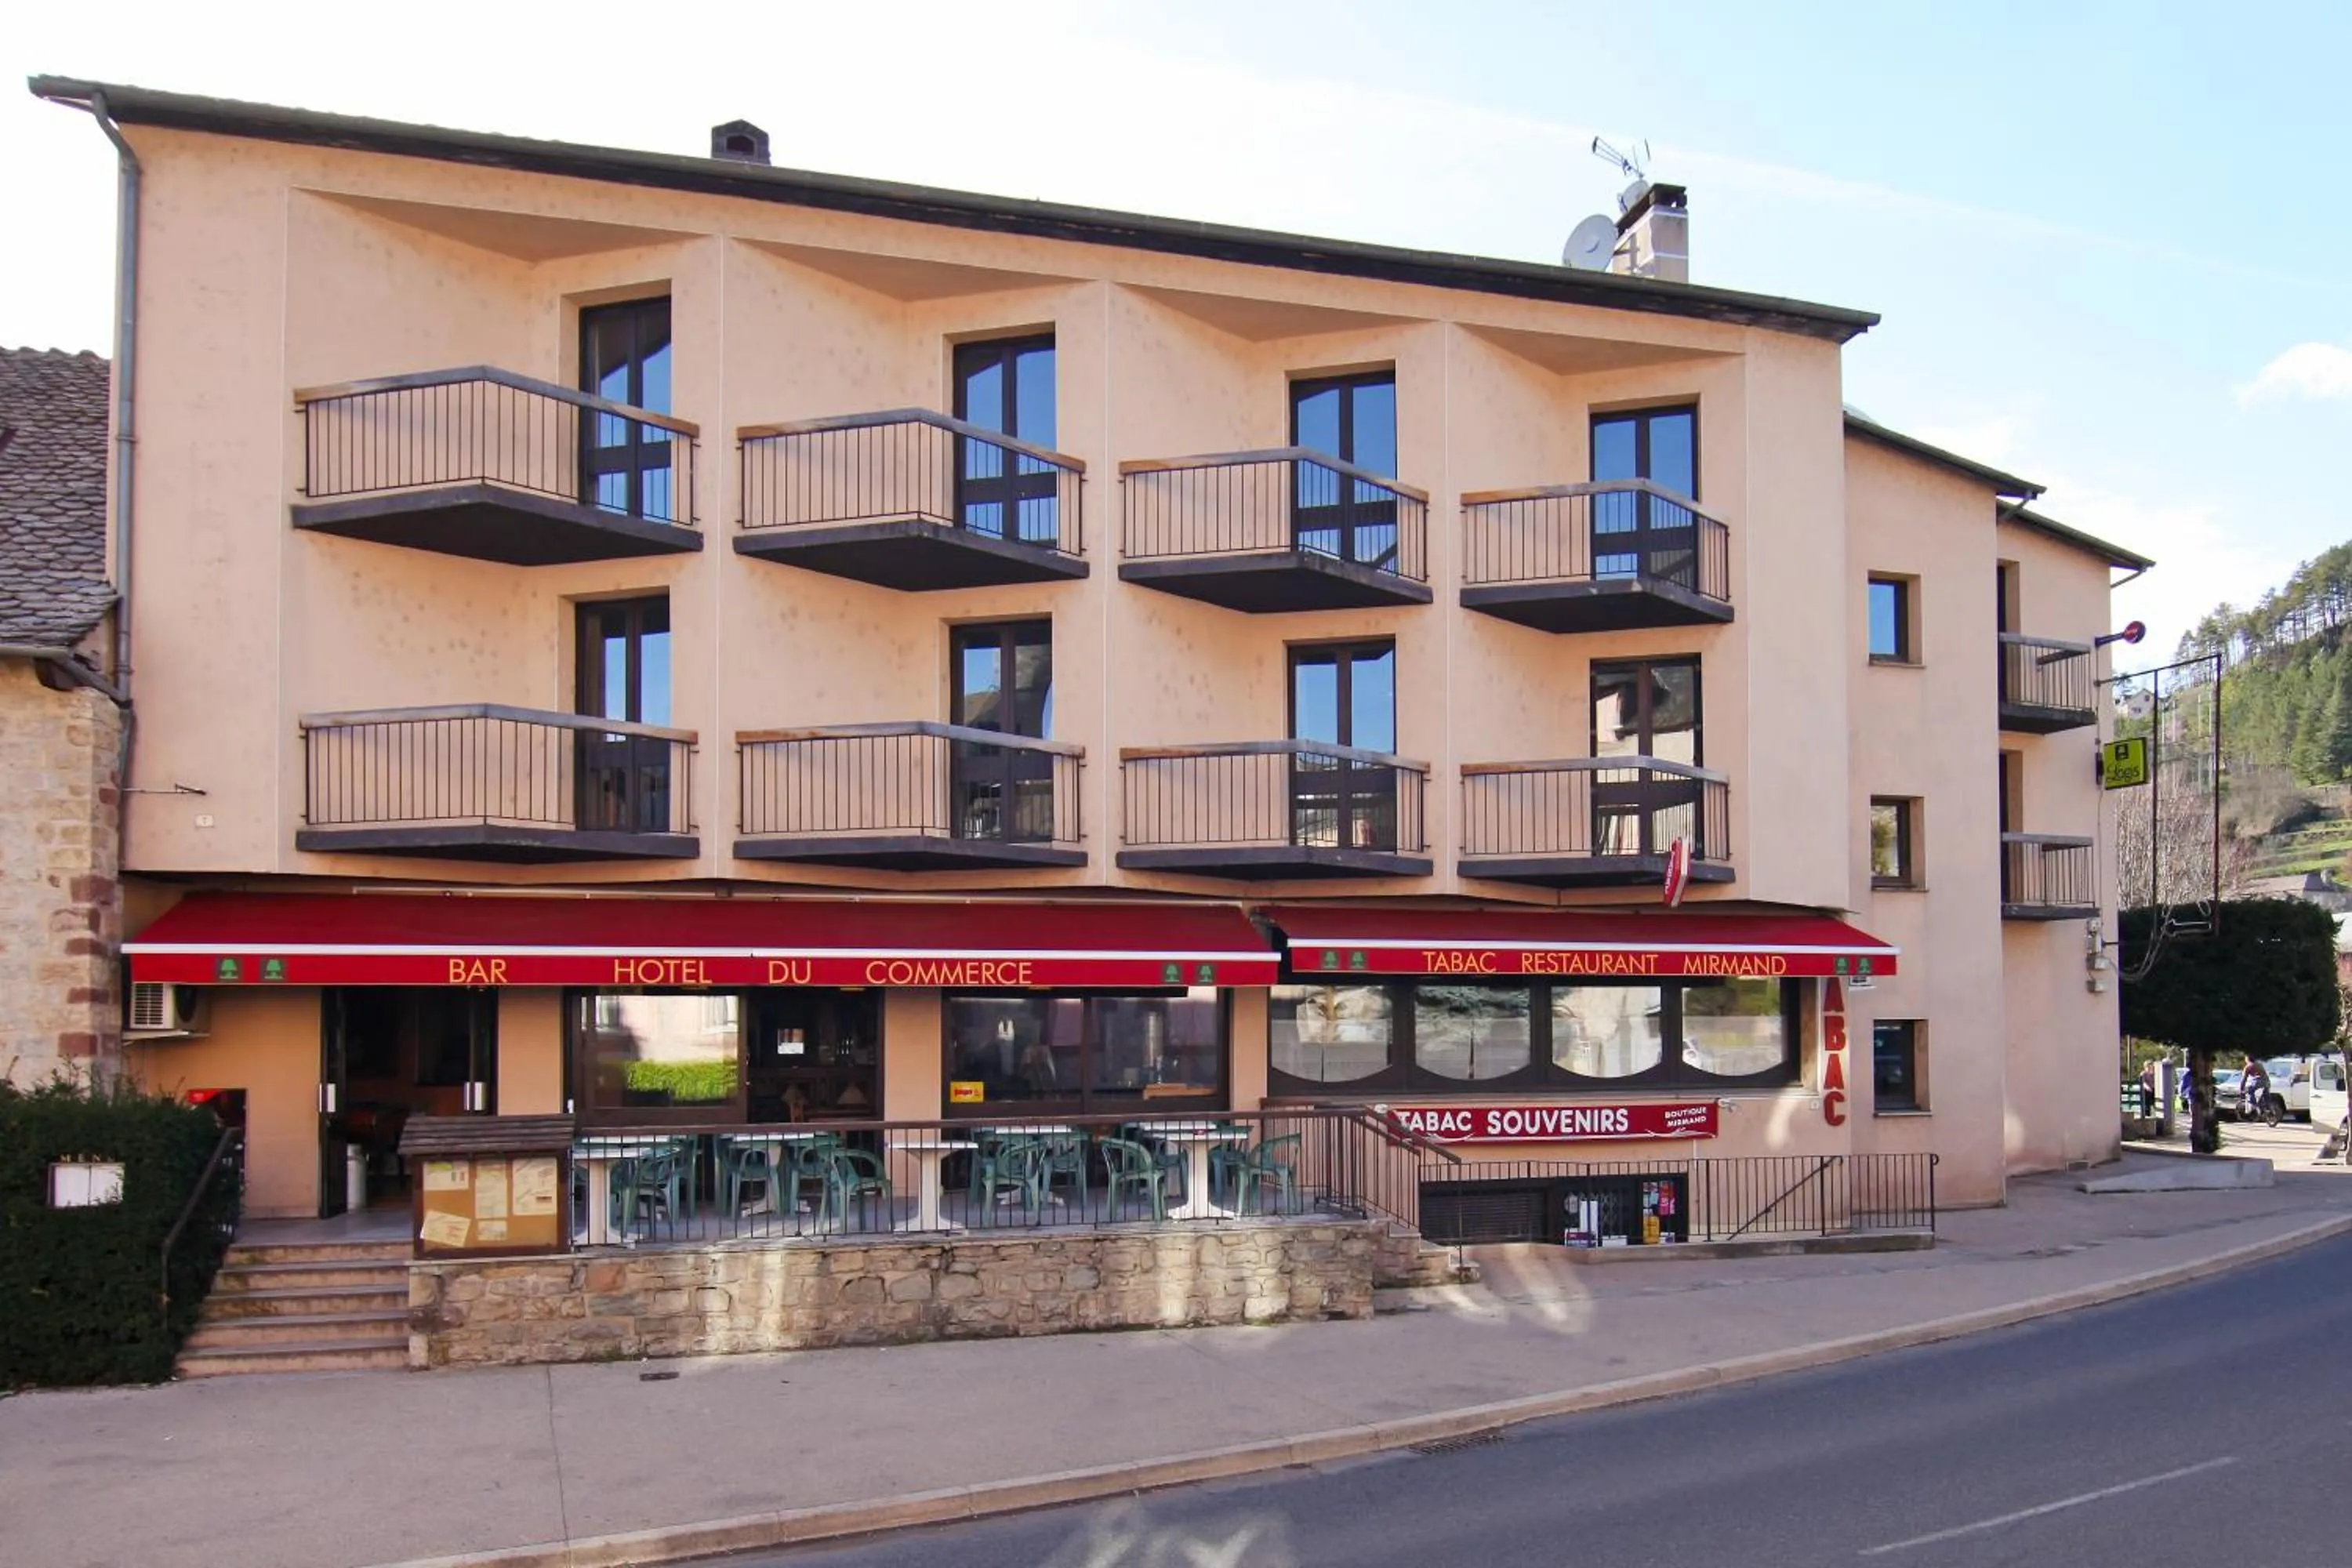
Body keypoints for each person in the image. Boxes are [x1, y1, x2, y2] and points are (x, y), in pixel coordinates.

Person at [2241, 1055, 2271, 1121]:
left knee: (2250, 1091)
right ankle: (2268, 1110)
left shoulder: (2248, 1067)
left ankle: (2253, 1104)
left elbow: (2244, 1080)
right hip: (2267, 1081)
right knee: (2266, 1096)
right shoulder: (2259, 1064)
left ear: (2247, 1059)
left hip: (2259, 1082)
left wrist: (2242, 1089)